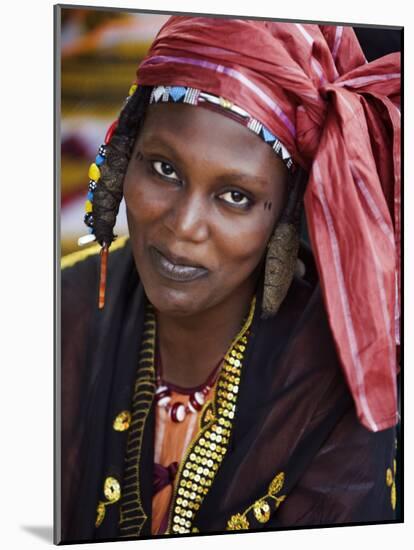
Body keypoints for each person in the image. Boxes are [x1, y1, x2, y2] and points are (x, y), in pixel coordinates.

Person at [60, 15, 401, 543]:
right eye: (164, 170)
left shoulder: (329, 390)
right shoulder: (60, 314)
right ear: (125, 158)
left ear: (283, 216)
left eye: (235, 196)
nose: (183, 226)